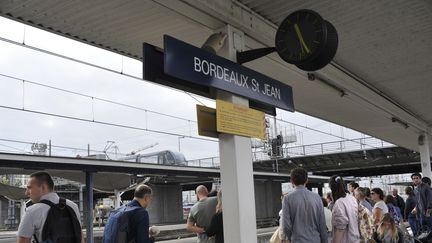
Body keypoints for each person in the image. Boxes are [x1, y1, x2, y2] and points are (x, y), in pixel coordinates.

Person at [17, 171, 83, 243]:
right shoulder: (72, 206)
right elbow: (80, 237)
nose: (26, 193)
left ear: (43, 187)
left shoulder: (32, 211)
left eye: (29, 188)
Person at [279, 168, 327, 243]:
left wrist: (291, 238)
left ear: (291, 181)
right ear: (307, 180)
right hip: (315, 239)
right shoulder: (317, 197)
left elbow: (286, 225)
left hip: (297, 240)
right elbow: (322, 224)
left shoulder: (287, 199)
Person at [330, 175, 360, 243]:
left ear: (332, 188)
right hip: (355, 239)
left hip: (346, 240)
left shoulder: (339, 203)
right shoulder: (352, 198)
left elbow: (341, 229)